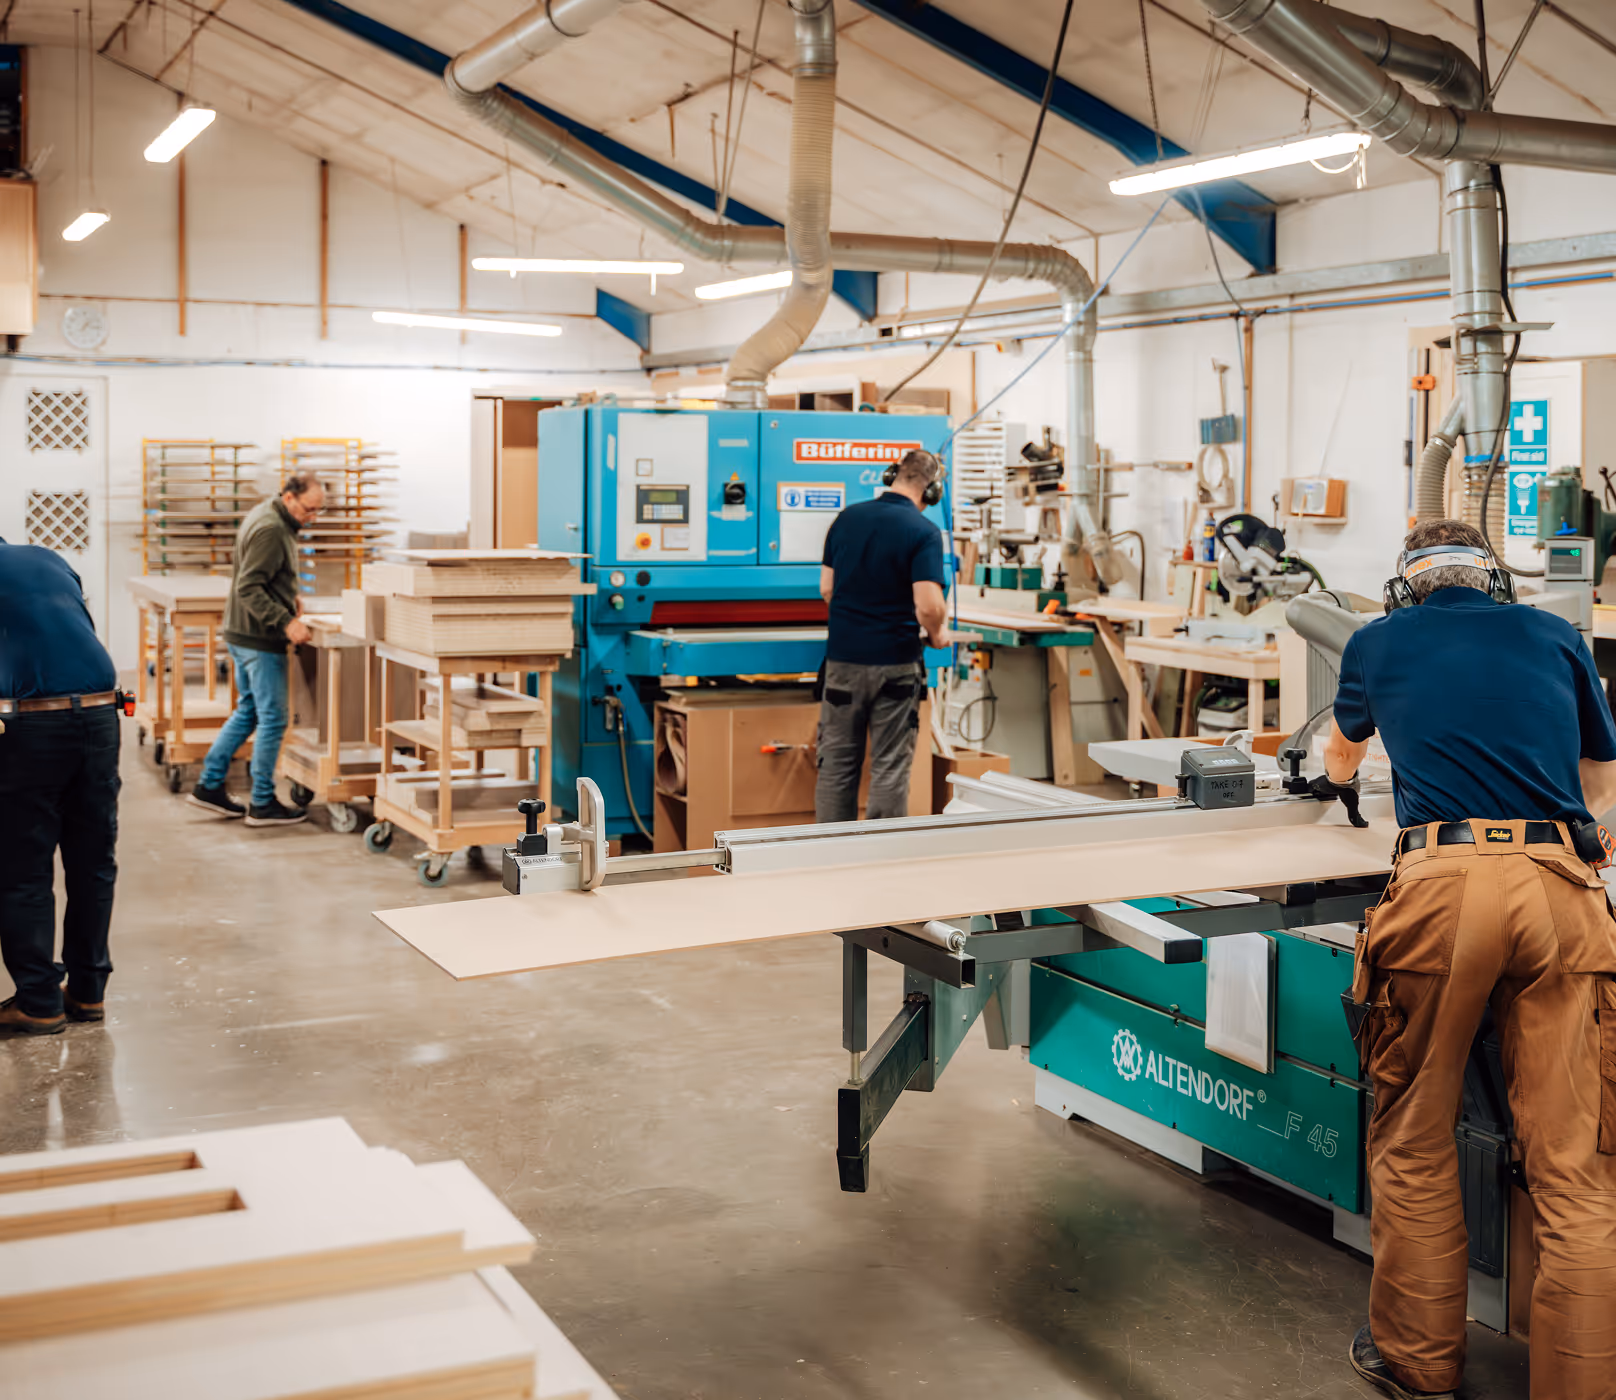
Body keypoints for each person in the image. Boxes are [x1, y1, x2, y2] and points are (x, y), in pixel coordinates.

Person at [1323, 518, 1616, 1400]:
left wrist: (1342, 787)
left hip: (1442, 887)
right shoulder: (1557, 634)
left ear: (1406, 581)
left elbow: (1342, 754)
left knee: (1414, 1138)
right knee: (1578, 1162)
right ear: (1494, 577)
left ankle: (1418, 1365)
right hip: (1562, 889)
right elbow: (1600, 781)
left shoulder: (1374, 640)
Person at [0, 539, 120, 1034]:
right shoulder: (46, 558)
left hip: (32, 724)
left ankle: (38, 1001)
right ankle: (88, 992)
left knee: (23, 869)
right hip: (101, 713)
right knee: (93, 861)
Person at [815, 448, 949, 823]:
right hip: (895, 664)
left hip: (842, 662)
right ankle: (878, 862)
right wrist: (938, 634)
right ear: (932, 490)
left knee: (836, 765)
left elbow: (827, 588)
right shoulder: (923, 531)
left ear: (894, 476)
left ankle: (828, 855)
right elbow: (928, 606)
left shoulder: (845, 518)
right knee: (889, 768)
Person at [189, 472, 324, 827]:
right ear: (290, 497)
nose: (311, 517)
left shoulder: (268, 514)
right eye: (309, 510)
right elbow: (249, 586)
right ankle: (262, 802)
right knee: (274, 718)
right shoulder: (272, 529)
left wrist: (286, 594)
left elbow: (260, 575)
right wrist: (285, 620)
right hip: (258, 639)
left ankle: (209, 785)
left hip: (241, 632)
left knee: (248, 710)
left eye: (317, 512)